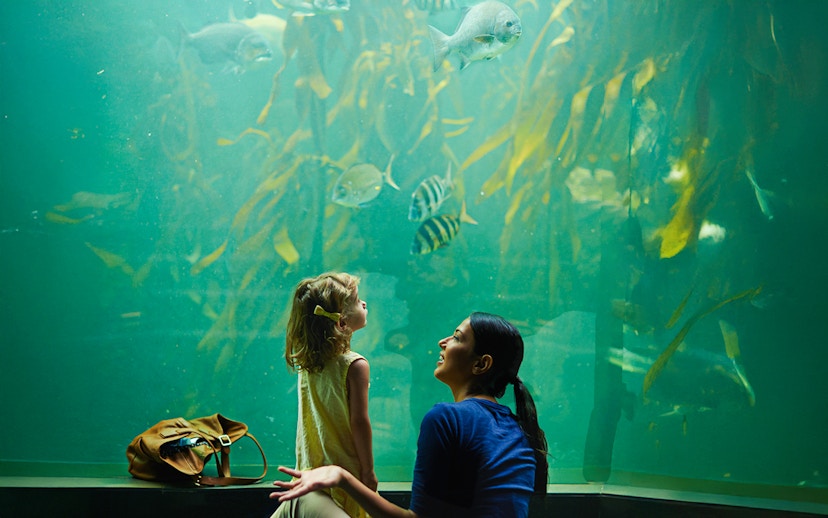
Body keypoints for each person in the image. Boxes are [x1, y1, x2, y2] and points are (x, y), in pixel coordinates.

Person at [271, 311, 548, 518]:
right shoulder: (519, 430)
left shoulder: (447, 419)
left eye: (457, 338)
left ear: (481, 364)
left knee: (299, 501)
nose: (443, 342)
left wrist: (341, 477)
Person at [272, 272, 377, 518]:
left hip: (309, 471)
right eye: (357, 301)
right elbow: (359, 422)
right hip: (344, 473)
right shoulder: (355, 365)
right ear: (341, 323)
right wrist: (368, 471)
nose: (364, 303)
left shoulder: (308, 362)